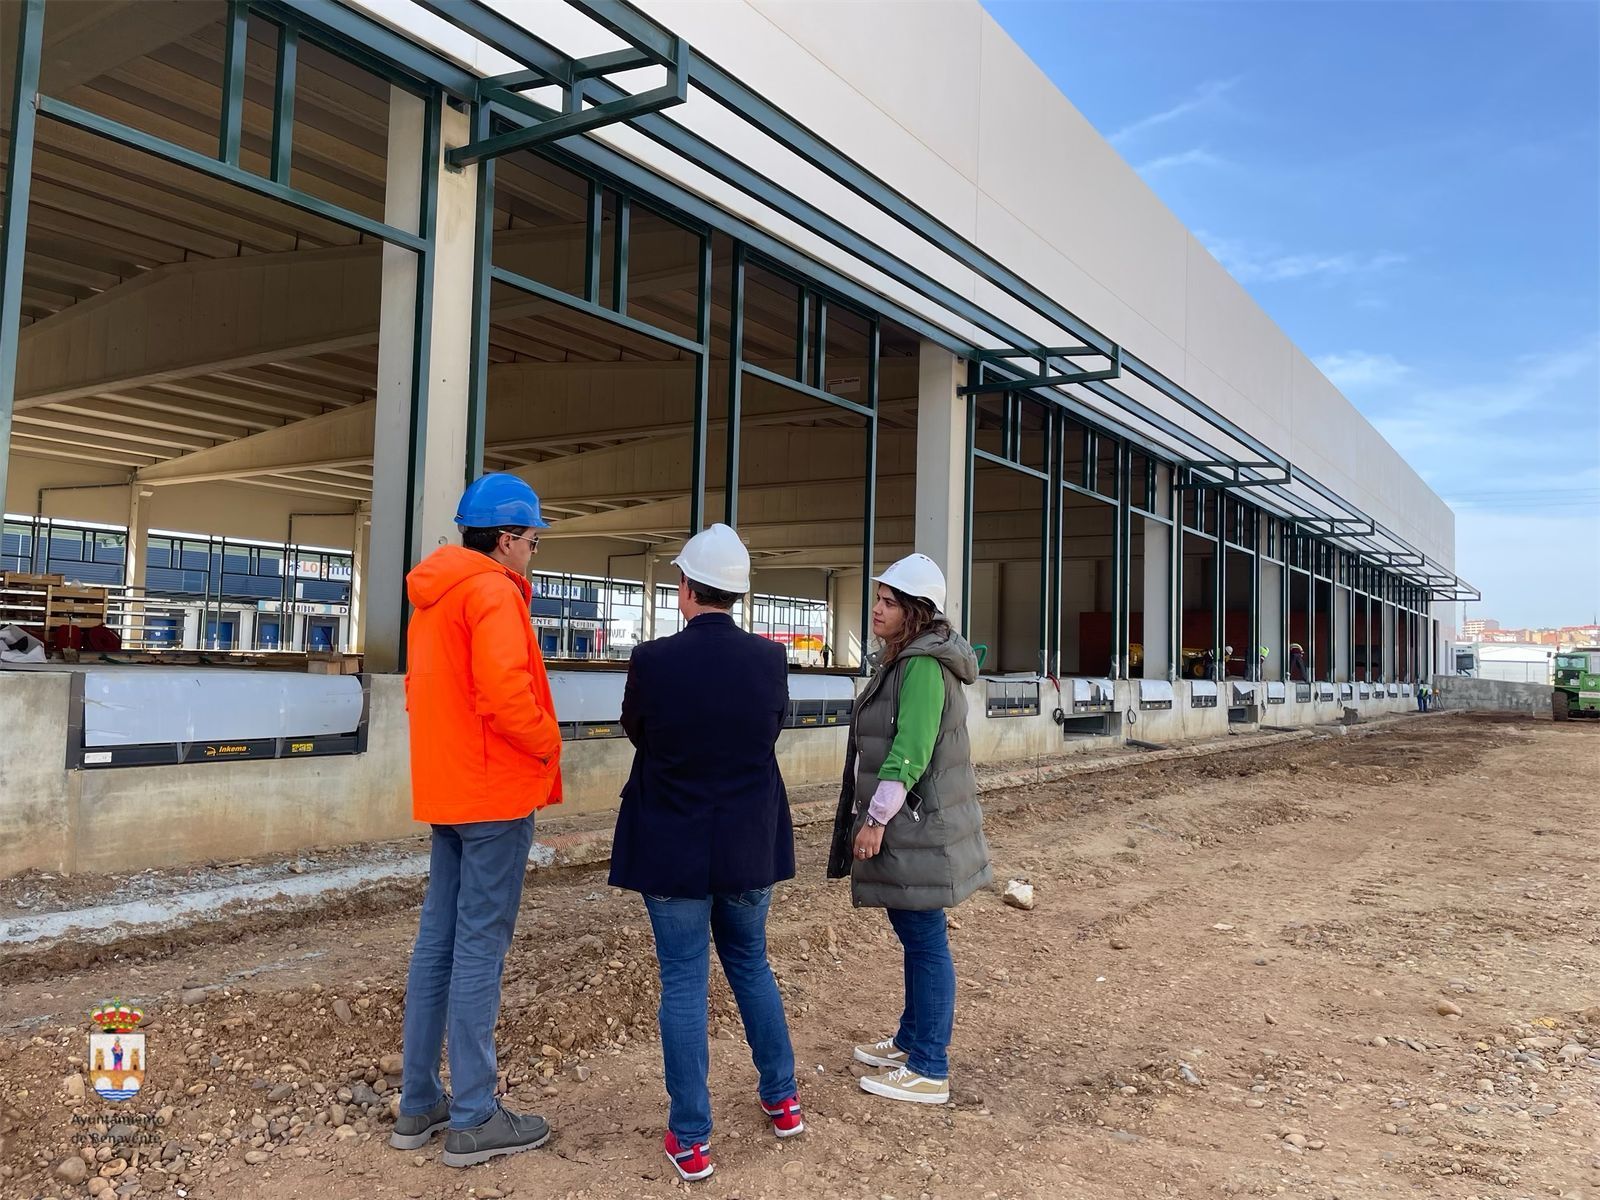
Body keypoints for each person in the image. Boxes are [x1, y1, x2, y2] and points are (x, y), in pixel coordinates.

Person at [609, 523, 802, 1183]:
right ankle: (782, 1099)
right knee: (751, 966)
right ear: (738, 595)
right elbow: (770, 728)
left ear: (685, 589)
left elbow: (639, 731)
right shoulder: (770, 660)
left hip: (674, 848)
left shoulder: (654, 660)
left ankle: (691, 1137)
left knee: (685, 982)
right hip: (750, 846)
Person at [391, 474, 564, 1169]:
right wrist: (549, 741)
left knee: (439, 943)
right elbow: (503, 693)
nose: (532, 551)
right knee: (479, 951)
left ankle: (418, 1102)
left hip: (449, 791)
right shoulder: (490, 591)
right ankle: (473, 1116)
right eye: (529, 539)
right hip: (493, 795)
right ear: (503, 539)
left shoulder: (435, 596)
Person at [827, 553, 992, 1105]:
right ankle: (911, 1040)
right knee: (915, 935)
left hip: (913, 821)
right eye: (877, 597)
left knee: (924, 940)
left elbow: (909, 752)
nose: (876, 608)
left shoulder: (922, 665)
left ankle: (929, 1066)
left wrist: (875, 819)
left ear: (916, 612)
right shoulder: (906, 660)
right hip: (916, 822)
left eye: (889, 602)